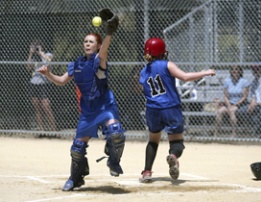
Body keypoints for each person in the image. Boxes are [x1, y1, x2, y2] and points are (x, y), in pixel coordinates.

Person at [37, 8, 125, 191]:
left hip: (105, 105)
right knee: (77, 148)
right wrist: (48, 74)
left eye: (91, 42)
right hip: (88, 110)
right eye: (85, 41)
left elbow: (104, 52)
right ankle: (76, 177)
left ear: (98, 46)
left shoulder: (99, 60)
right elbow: (61, 81)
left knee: (115, 132)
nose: (87, 44)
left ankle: (113, 161)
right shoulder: (75, 64)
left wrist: (109, 33)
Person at [139, 37, 215, 182]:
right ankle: (173, 157)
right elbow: (185, 77)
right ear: (162, 52)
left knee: (153, 140)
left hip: (152, 109)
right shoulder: (167, 65)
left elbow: (143, 88)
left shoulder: (143, 71)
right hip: (170, 107)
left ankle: (147, 172)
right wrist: (204, 72)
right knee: (176, 142)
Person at [27, 39, 56, 131]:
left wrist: (40, 52)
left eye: (37, 47)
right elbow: (28, 67)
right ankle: (41, 129)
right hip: (34, 82)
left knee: (46, 106)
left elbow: (49, 62)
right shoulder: (34, 58)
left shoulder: (47, 54)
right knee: (37, 106)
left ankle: (53, 130)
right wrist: (31, 54)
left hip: (43, 83)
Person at [215, 65, 249, 137]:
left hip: (240, 104)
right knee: (220, 111)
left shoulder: (244, 81)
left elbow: (244, 97)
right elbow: (226, 96)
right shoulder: (227, 81)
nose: (234, 71)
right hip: (229, 103)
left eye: (236, 69)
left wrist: (236, 104)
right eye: (233, 70)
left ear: (240, 71)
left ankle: (234, 133)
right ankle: (216, 133)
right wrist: (229, 105)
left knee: (232, 111)